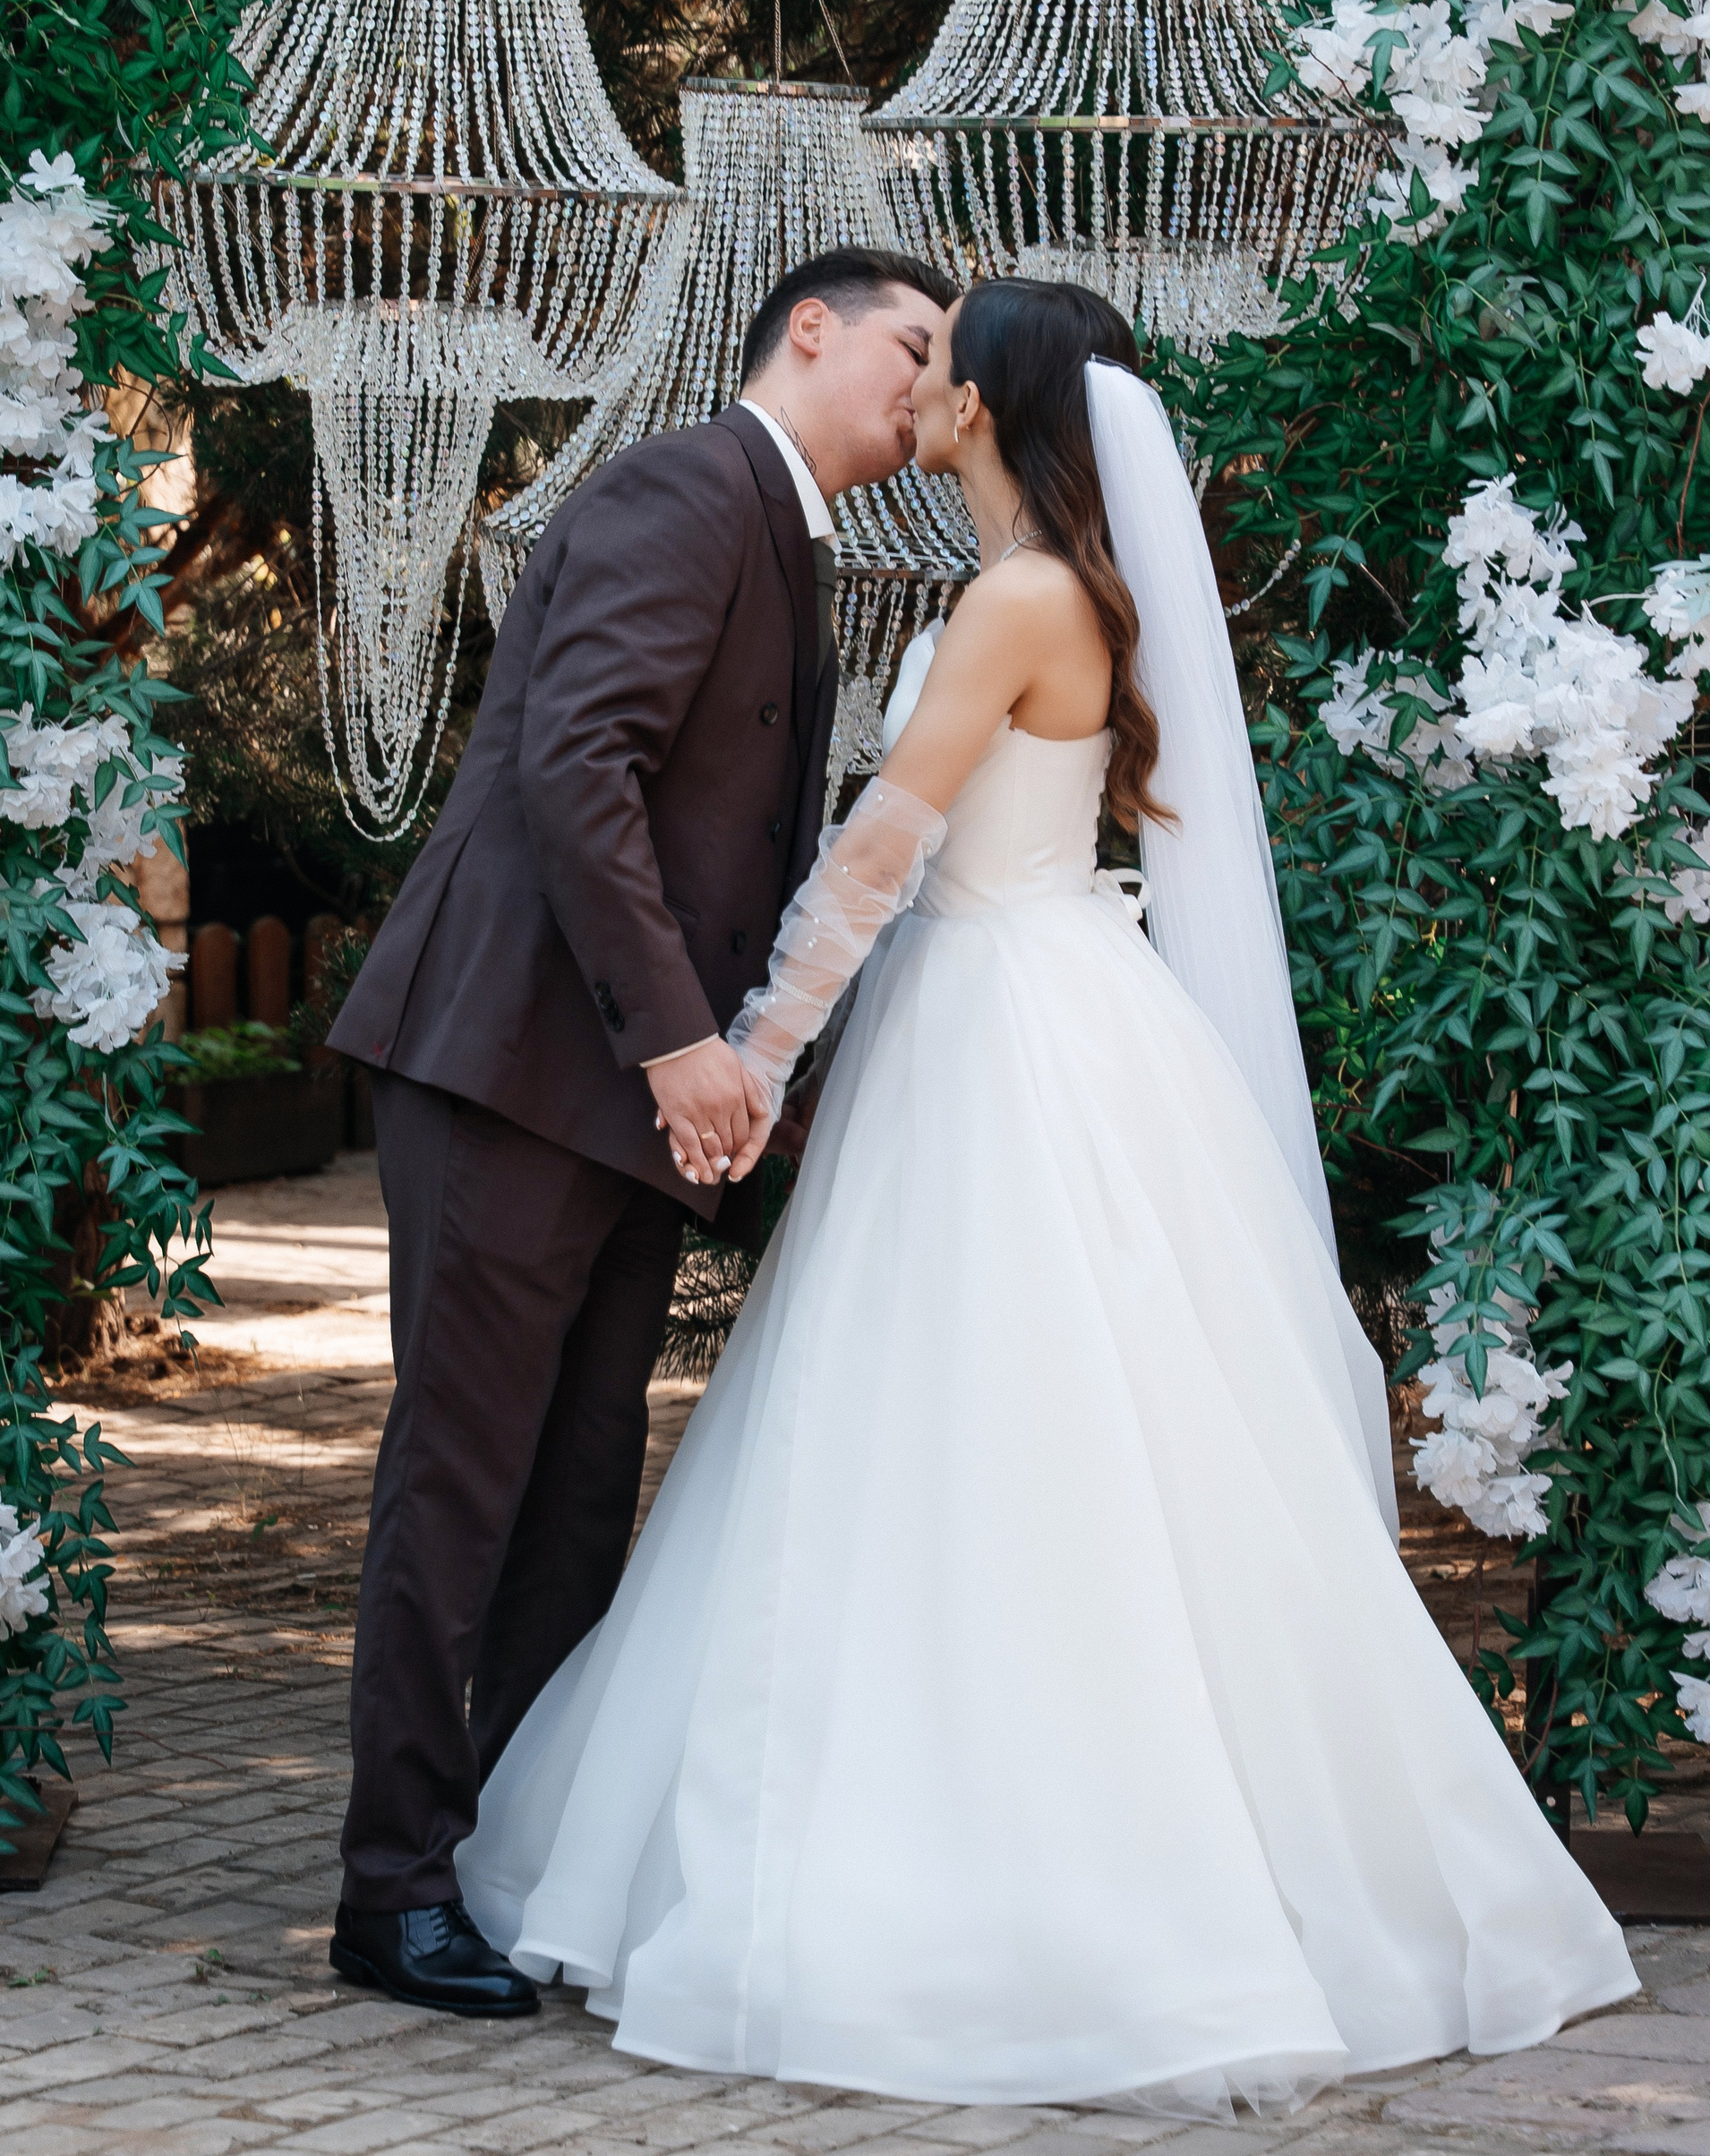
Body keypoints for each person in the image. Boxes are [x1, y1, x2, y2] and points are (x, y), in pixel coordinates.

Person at [455, 278, 1637, 2108]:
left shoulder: (1018, 598)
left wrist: (754, 1053)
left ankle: (1007, 1867)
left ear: (993, 402)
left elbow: (884, 845)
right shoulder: (1046, 587)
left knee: (980, 1428)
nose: (919, 383)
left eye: (944, 360)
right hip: (1031, 999)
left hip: (995, 1027)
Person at [325, 248, 959, 2017]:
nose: (928, 390)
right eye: (912, 346)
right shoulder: (688, 485)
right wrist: (684, 1041)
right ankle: (390, 1888)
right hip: (520, 1058)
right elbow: (577, 763)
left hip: (620, 1098)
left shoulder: (791, 537)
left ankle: (510, 1854)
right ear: (811, 328)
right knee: (462, 1482)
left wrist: (748, 1068)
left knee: (579, 1491)